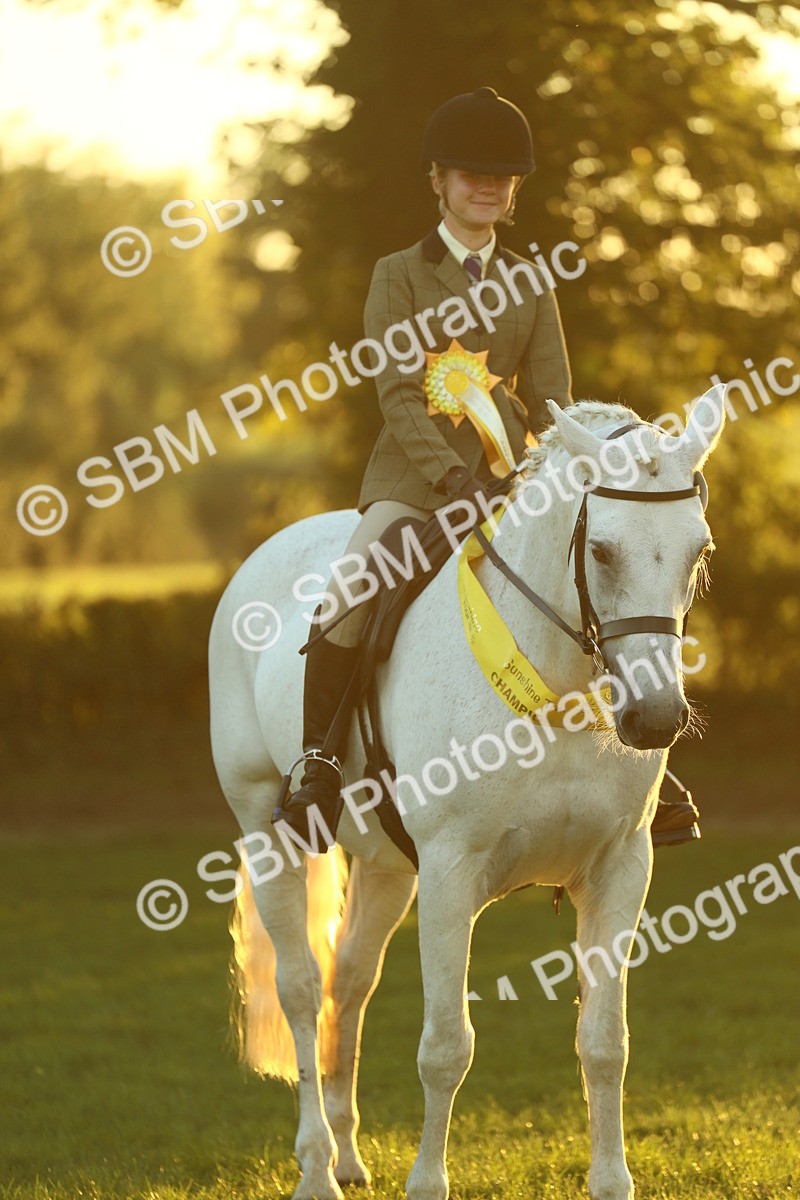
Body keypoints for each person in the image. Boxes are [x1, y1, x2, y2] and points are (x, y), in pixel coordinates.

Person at [272, 86, 699, 849]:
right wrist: (450, 478)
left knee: (596, 587)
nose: (487, 187)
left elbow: (557, 402)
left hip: (515, 485)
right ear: (438, 179)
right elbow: (398, 395)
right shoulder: (398, 275)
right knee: (350, 590)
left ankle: (641, 774)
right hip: (416, 486)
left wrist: (541, 474)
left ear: (513, 190)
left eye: (501, 177)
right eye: (472, 174)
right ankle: (319, 764)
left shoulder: (532, 280)